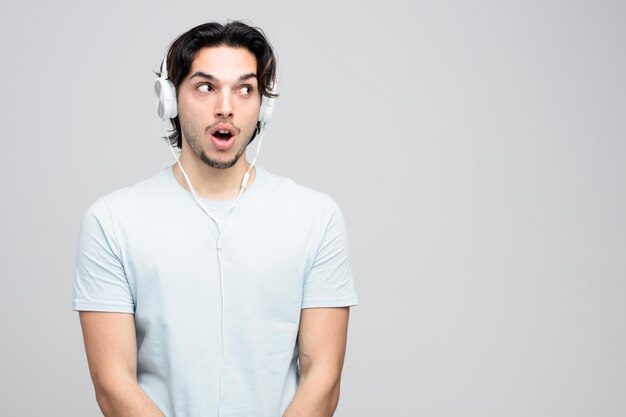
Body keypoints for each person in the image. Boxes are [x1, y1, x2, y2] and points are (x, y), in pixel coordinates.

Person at [73, 21, 359, 417]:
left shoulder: (317, 217)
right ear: (171, 99)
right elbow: (112, 382)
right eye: (206, 87)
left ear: (265, 105)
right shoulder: (111, 221)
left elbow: (322, 376)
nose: (226, 107)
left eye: (245, 89)